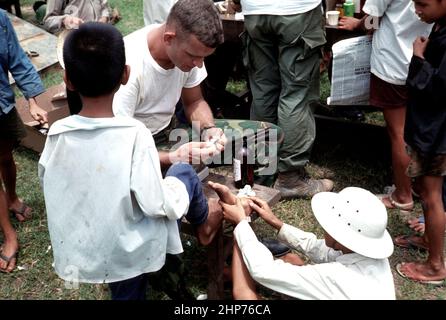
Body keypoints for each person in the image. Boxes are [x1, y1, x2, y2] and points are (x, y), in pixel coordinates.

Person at [38, 22, 223, 300]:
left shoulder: (57, 134)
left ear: (68, 81)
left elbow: (52, 183)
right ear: (125, 75)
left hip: (88, 241)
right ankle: (204, 222)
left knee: (125, 286)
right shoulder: (135, 134)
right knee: (183, 172)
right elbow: (155, 202)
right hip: (129, 245)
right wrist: (177, 185)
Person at [218, 185, 396, 299]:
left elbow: (262, 271)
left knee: (244, 297)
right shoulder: (370, 259)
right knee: (293, 261)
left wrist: (241, 224)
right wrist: (276, 223)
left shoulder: (336, 278)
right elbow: (321, 249)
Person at [338, 0, 432, 215]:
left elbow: (372, 19)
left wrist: (357, 24)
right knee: (418, 126)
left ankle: (402, 195)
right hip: (424, 59)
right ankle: (418, 185)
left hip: (394, 62)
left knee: (399, 133)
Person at [233, 0, 333, 199]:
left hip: (255, 11)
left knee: (263, 91)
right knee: (296, 93)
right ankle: (290, 178)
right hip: (297, 10)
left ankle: (264, 167)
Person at [113, 0, 227, 168]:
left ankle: (248, 193)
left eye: (204, 57)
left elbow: (194, 102)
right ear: (168, 38)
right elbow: (119, 148)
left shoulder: (188, 52)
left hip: (171, 131)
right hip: (138, 147)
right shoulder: (129, 64)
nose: (199, 64)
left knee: (265, 137)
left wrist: (208, 129)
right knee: (183, 175)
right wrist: (173, 158)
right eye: (193, 56)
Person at [394, 0, 446, 284]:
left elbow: (439, 88)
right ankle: (428, 239)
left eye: (423, 3)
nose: (416, 9)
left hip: (437, 131)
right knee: (427, 192)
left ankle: (436, 266)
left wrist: (418, 57)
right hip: (428, 125)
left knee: (431, 194)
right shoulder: (439, 25)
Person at [0, 9, 47, 272]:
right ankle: (9, 236)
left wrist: (32, 100)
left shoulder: (0, 20)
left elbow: (17, 59)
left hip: (2, 106)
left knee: (6, 156)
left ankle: (13, 198)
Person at [42, 0, 111, 33]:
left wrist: (104, 17)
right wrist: (64, 20)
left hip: (99, 37)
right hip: (75, 42)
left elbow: (104, 6)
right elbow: (48, 22)